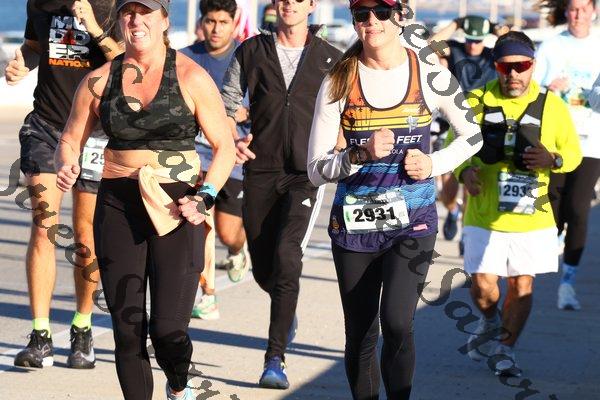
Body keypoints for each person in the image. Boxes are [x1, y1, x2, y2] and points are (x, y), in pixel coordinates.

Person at [55, 0, 235, 399]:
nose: (136, 21)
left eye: (146, 12)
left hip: (179, 206)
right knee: (127, 328)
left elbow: (224, 146)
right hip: (118, 204)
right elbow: (69, 138)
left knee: (168, 330)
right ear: (120, 19)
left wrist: (205, 197)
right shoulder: (99, 80)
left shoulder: (191, 76)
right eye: (128, 12)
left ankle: (179, 384)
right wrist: (67, 163)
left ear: (164, 20)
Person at [307, 0, 482, 397]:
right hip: (354, 226)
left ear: (400, 17)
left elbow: (472, 135)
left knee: (398, 322)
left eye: (381, 12)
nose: (372, 22)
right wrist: (358, 154)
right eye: (361, 14)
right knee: (361, 331)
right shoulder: (338, 80)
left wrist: (434, 163)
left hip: (412, 222)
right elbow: (316, 169)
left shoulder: (431, 74)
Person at [221, 0, 342, 389]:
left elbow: (349, 110)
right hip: (260, 169)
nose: (289, 3)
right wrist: (232, 138)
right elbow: (226, 103)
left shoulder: (331, 58)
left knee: (288, 256)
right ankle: (284, 306)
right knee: (263, 267)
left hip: (305, 174)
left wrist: (340, 146)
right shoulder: (252, 50)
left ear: (311, 6)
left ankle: (275, 358)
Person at [453, 31, 582, 377]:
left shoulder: (552, 106)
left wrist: (552, 159)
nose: (513, 74)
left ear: (532, 66)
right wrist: (465, 172)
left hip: (532, 217)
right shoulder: (475, 101)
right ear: (495, 66)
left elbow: (573, 154)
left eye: (521, 66)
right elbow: (454, 145)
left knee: (522, 287)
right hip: (484, 212)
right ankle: (489, 319)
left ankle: (505, 351)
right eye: (505, 67)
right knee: (482, 286)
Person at [4, 0, 122, 369]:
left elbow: (126, 63)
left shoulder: (114, 5)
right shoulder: (40, 1)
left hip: (96, 133)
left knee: (86, 235)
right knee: (44, 226)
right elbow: (35, 46)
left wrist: (94, 26)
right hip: (46, 126)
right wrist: (22, 62)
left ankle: (82, 327)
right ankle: (40, 336)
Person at [181, 0, 251, 321]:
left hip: (232, 157)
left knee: (227, 233)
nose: (216, 28)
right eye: (210, 21)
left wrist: (243, 115)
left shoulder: (247, 57)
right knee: (201, 226)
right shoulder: (184, 58)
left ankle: (238, 249)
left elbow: (265, 105)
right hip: (194, 158)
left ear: (234, 23)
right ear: (202, 22)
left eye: (223, 22)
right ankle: (207, 294)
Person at [534, 0, 600, 311]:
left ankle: (568, 284)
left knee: (579, 209)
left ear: (594, 11)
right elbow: (530, 90)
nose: (578, 15)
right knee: (554, 207)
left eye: (584, 9)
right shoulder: (551, 46)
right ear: (566, 12)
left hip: (592, 142)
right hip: (556, 141)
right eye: (573, 9)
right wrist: (548, 88)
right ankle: (546, 256)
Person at [429, 15, 508, 246]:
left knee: (472, 179)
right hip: (451, 120)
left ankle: (466, 232)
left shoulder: (492, 55)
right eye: (470, 39)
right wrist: (456, 23)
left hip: (483, 121)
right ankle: (452, 210)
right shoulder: (453, 49)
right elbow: (428, 47)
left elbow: (514, 45)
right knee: (448, 183)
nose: (473, 45)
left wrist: (495, 28)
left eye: (478, 40)